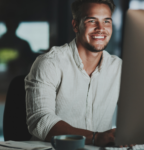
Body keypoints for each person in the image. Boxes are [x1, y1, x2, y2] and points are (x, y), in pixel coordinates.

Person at [25, 0, 122, 147]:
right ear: (75, 25)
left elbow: (136, 114)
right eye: (91, 20)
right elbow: (41, 121)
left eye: (106, 21)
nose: (101, 28)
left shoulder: (119, 68)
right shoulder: (49, 63)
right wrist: (95, 137)